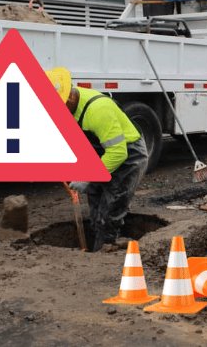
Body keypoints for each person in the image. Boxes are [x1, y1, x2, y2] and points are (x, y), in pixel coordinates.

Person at [45, 67, 148, 251]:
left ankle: (107, 248)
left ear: (69, 98)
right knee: (95, 201)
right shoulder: (70, 108)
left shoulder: (98, 110)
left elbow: (118, 152)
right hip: (103, 154)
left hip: (129, 155)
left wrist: (88, 177)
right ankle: (100, 242)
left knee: (112, 203)